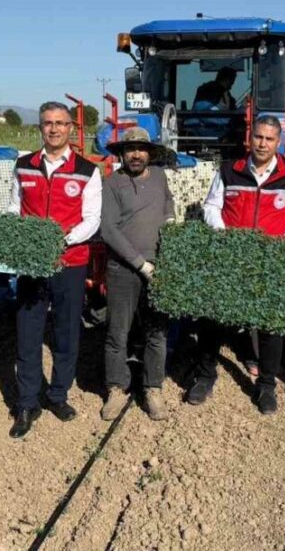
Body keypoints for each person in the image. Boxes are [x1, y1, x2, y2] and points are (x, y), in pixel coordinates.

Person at [190, 115, 285, 415]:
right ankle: (205, 376)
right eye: (258, 137)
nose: (262, 143)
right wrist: (225, 237)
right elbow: (212, 206)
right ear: (250, 137)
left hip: (270, 262)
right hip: (230, 258)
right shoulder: (229, 170)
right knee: (213, 319)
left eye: (269, 139)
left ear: (278, 142)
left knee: (270, 325)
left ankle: (267, 386)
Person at [6, 101, 102, 439]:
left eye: (61, 123)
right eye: (48, 123)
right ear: (40, 128)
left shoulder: (88, 171)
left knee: (66, 332)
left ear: (71, 130)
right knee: (28, 333)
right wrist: (25, 244)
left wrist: (61, 241)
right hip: (32, 264)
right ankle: (27, 402)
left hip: (70, 262)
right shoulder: (23, 166)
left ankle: (58, 395)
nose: (54, 129)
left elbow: (92, 219)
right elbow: (13, 208)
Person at [100, 127, 175, 422]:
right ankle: (116, 388)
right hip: (124, 269)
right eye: (130, 148)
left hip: (160, 266)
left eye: (141, 149)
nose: (135, 154)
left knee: (157, 331)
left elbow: (168, 201)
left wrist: (169, 217)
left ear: (149, 153)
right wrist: (141, 265)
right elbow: (109, 230)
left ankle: (152, 388)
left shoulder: (159, 176)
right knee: (117, 331)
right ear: (122, 153)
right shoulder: (112, 183)